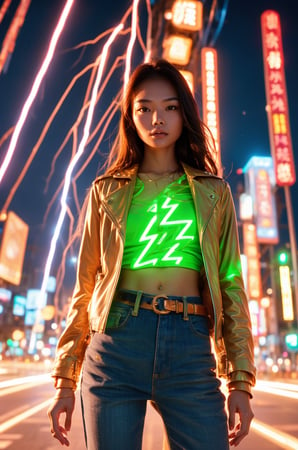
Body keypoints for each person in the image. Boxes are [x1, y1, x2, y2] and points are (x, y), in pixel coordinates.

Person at [47, 58, 256, 450]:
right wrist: (64, 379)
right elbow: (85, 287)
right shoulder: (105, 191)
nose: (157, 118)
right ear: (130, 116)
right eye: (144, 108)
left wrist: (240, 380)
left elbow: (230, 285)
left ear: (184, 114)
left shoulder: (215, 193)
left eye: (170, 107)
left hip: (190, 346)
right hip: (116, 344)